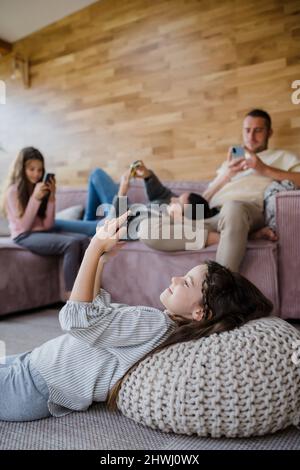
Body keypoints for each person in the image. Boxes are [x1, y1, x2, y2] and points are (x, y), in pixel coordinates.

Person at [0, 212, 273, 421]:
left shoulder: (155, 324)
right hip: (32, 367)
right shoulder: (162, 327)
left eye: (187, 283)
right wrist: (103, 262)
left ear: (200, 313)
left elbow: (77, 320)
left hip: (31, 385)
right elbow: (97, 314)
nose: (176, 278)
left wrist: (94, 248)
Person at [145, 109, 300, 270]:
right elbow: (205, 197)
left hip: (244, 211)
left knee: (232, 207)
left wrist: (264, 169)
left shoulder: (282, 156)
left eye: (258, 130)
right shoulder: (230, 163)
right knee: (147, 228)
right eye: (247, 130)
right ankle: (228, 237)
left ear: (270, 132)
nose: (251, 136)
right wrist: (228, 174)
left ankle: (221, 290)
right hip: (211, 215)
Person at [2, 147, 90, 296]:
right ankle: (72, 296)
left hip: (42, 232)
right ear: (21, 168)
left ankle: (88, 288)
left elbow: (48, 225)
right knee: (71, 243)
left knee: (83, 240)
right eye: (31, 169)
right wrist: (35, 198)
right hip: (23, 235)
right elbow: (23, 226)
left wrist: (51, 198)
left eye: (40, 170)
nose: (36, 174)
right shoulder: (13, 191)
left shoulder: (39, 188)